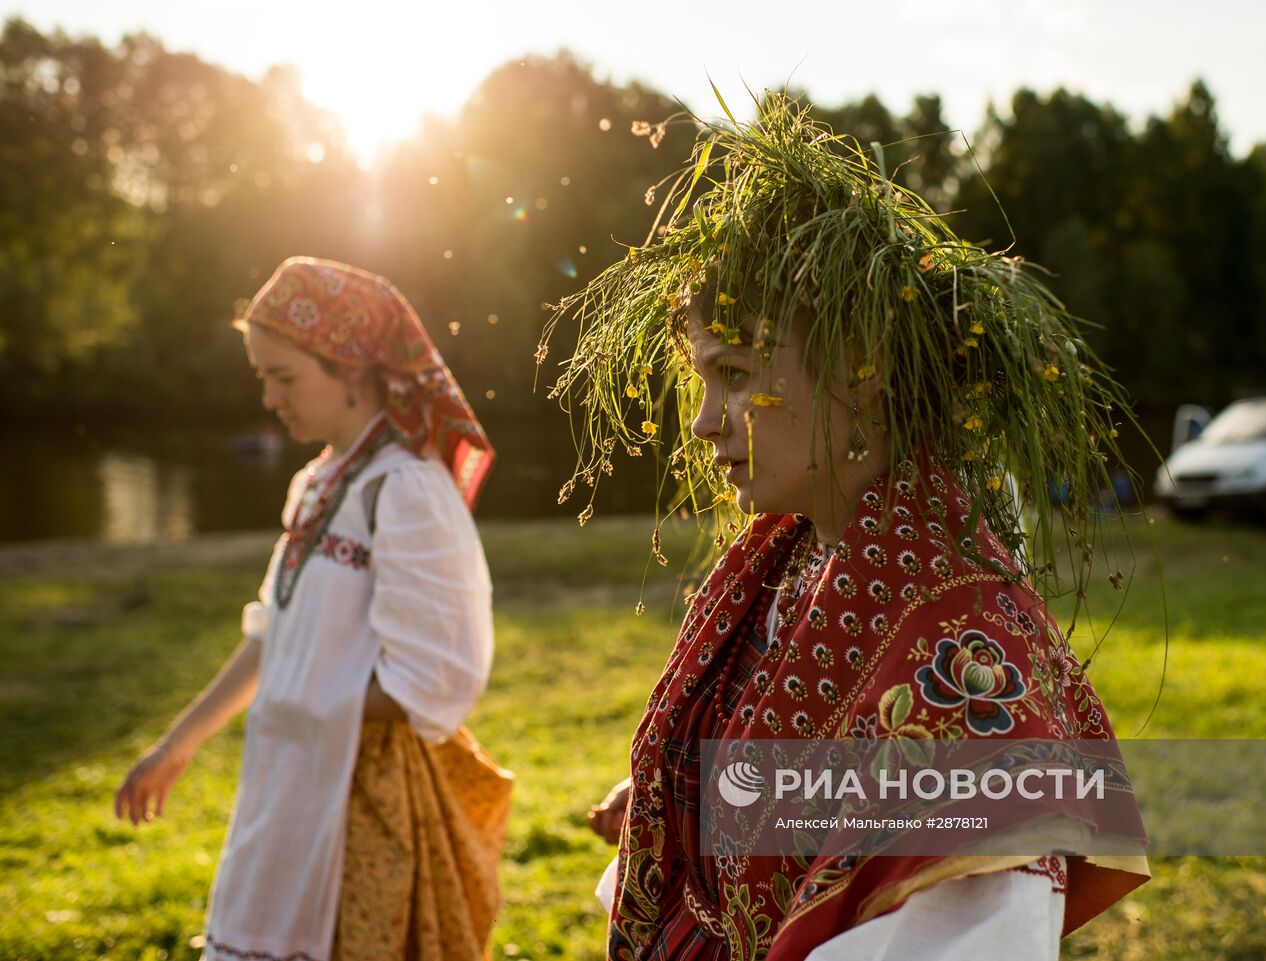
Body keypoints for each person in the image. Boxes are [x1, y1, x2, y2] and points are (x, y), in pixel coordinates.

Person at [544, 97, 1150, 959]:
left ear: (862, 370)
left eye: (738, 372)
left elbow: (970, 933)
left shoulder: (970, 644)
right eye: (701, 379)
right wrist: (678, 794)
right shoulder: (791, 561)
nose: (706, 421)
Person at [114, 257, 512, 961]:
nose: (268, 398)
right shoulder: (317, 482)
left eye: (284, 377)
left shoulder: (406, 490)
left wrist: (305, 698)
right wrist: (177, 744)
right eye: (262, 376)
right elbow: (275, 633)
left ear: (353, 370)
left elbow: (438, 678)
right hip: (291, 778)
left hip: (363, 797)